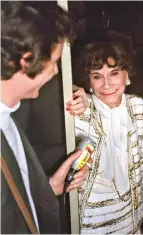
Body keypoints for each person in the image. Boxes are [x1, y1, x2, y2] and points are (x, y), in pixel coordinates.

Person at [1, 2, 87, 233]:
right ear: (25, 61)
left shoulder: (8, 118)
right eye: (54, 62)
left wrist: (49, 187)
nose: (57, 71)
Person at [73, 42, 143, 234]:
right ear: (89, 82)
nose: (107, 84)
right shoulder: (80, 111)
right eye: (97, 76)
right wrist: (74, 92)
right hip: (93, 222)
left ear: (127, 74)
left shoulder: (138, 108)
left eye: (114, 73)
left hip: (131, 218)